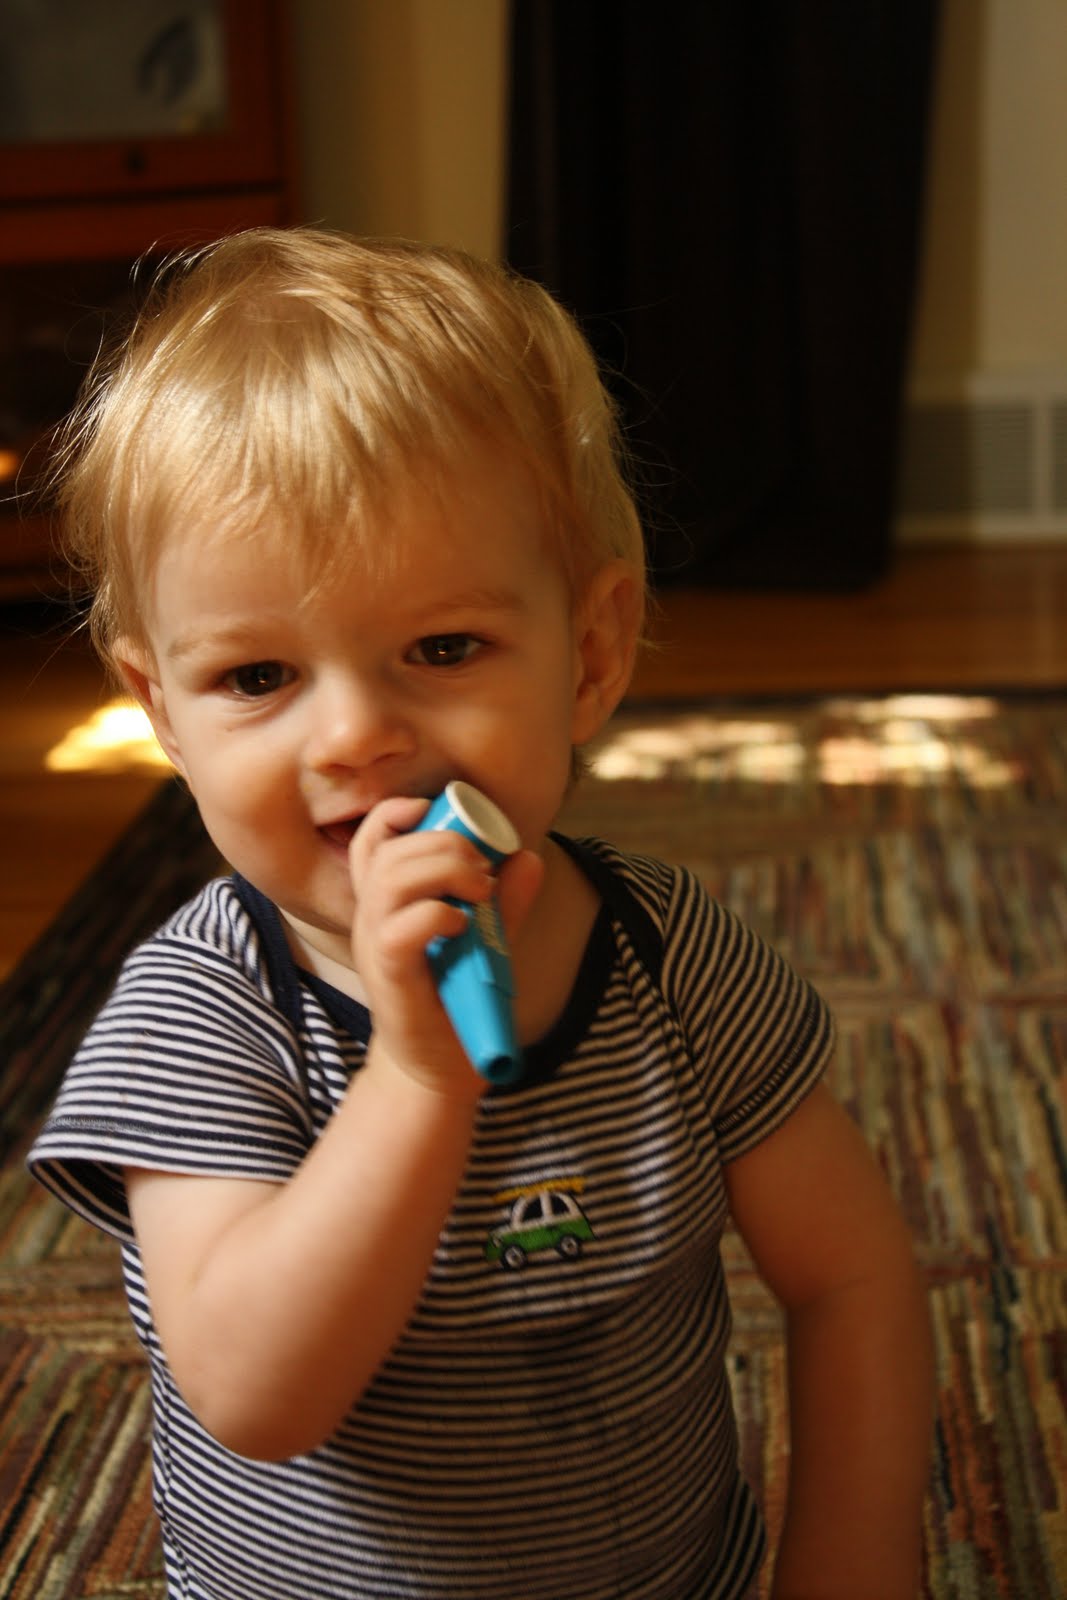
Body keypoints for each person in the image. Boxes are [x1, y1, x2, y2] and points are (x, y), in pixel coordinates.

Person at [28, 228, 933, 1600]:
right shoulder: (201, 1015)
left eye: (441, 650)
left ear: (591, 654)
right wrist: (414, 1070)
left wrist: (850, 1566)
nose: (356, 736)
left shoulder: (667, 956)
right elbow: (260, 1399)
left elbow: (852, 1274)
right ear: (160, 710)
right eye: (260, 674)